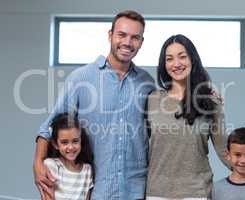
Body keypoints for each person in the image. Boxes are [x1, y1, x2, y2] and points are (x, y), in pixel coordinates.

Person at [33, 10, 155, 200]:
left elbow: (158, 126)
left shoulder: (146, 82)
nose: (128, 43)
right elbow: (49, 126)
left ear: (141, 42)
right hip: (96, 190)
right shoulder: (81, 78)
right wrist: (37, 164)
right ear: (110, 35)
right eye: (122, 35)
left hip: (137, 190)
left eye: (135, 37)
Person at [145, 34, 245, 200]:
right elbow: (142, 149)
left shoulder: (210, 102)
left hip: (196, 193)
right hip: (156, 193)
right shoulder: (152, 100)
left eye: (182, 57)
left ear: (192, 60)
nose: (176, 64)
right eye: (169, 59)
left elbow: (225, 150)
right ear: (164, 65)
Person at [43, 112, 94, 200]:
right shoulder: (51, 165)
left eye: (75, 141)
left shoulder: (87, 170)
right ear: (55, 144)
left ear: (80, 140)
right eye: (64, 142)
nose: (70, 147)